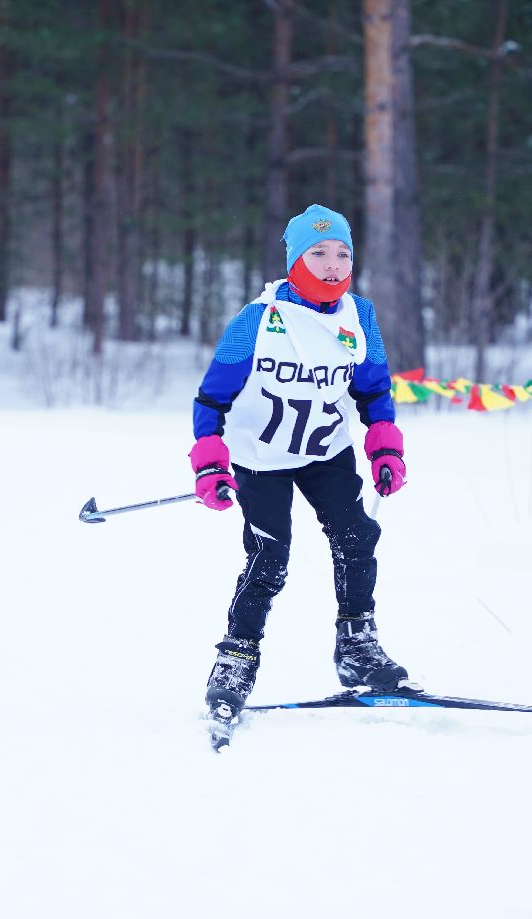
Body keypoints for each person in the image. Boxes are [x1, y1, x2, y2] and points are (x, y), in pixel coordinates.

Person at [189, 203, 410, 721]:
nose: (333, 265)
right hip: (260, 458)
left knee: (356, 536)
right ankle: (236, 658)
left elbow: (373, 388)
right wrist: (211, 463)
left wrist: (384, 443)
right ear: (295, 259)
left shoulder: (361, 316)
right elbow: (211, 401)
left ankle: (356, 646)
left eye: (342, 253)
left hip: (326, 451)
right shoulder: (257, 321)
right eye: (319, 254)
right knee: (270, 557)